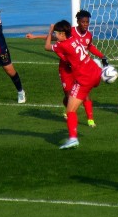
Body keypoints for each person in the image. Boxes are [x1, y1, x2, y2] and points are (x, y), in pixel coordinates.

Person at [26, 9, 106, 126]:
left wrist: (101, 55)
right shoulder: (70, 32)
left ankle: (90, 119)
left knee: (84, 94)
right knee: (69, 96)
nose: (85, 24)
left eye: (87, 22)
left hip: (80, 70)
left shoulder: (88, 35)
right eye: (83, 22)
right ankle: (69, 111)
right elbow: (54, 38)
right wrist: (35, 37)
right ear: (78, 21)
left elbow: (90, 47)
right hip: (66, 69)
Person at [45, 19, 105, 149]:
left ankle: (73, 139)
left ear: (62, 34)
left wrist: (49, 32)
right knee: (82, 97)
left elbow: (47, 47)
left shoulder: (62, 45)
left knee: (70, 110)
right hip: (95, 72)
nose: (55, 35)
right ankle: (105, 74)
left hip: (84, 79)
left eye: (56, 33)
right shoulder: (74, 39)